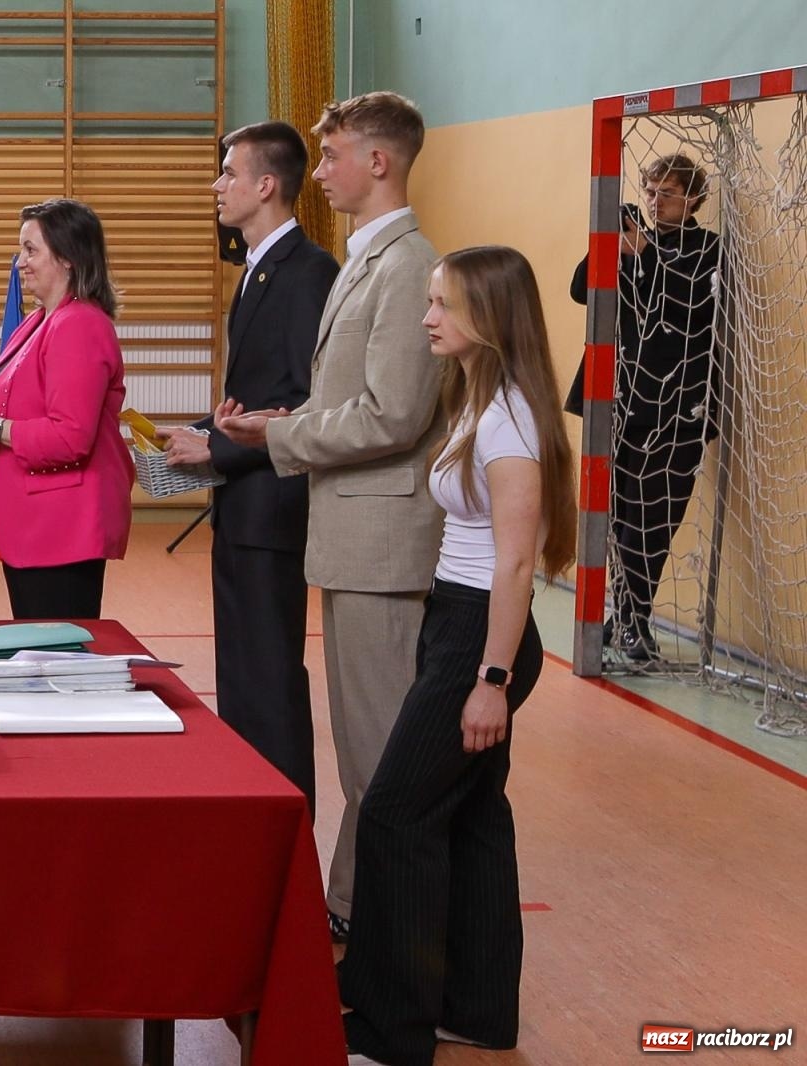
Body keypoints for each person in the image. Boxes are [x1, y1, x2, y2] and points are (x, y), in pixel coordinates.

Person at [337, 245, 576, 1066]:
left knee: (396, 812)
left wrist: (491, 681)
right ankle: (475, 1009)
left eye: (442, 305)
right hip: (460, 624)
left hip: (483, 640)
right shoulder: (482, 399)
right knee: (471, 816)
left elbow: (515, 564)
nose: (428, 317)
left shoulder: (510, 418)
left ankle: (388, 1030)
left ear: (489, 318)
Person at [215, 91, 441, 944]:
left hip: (380, 540)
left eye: (337, 154)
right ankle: (354, 912)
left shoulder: (408, 263)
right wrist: (281, 427)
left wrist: (283, 431)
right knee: (359, 749)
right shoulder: (364, 261)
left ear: (378, 162)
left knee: (380, 753)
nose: (327, 172)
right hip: (348, 536)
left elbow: (390, 415)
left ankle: (382, 935)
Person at [156, 121, 337, 812]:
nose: (217, 184)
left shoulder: (308, 272)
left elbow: (304, 401)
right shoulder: (260, 267)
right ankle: (252, 818)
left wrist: (221, 447)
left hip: (273, 508)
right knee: (242, 682)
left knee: (268, 684)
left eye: (229, 172)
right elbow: (256, 398)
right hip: (243, 505)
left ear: (266, 185)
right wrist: (201, 430)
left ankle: (284, 825)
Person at [0, 198, 133, 619]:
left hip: (62, 529)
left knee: (55, 659)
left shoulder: (79, 324)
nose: (19, 263)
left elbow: (70, 437)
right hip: (36, 526)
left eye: (31, 250)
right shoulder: (42, 320)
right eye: (20, 251)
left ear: (67, 258)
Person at [566, 153, 720, 661]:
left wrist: (644, 249)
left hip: (677, 407)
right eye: (651, 192)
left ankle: (633, 620)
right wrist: (613, 239)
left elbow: (684, 303)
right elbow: (580, 289)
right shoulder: (632, 238)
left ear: (693, 199)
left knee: (655, 518)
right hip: (620, 399)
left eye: (668, 193)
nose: (656, 202)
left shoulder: (706, 249)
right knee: (617, 515)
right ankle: (626, 618)